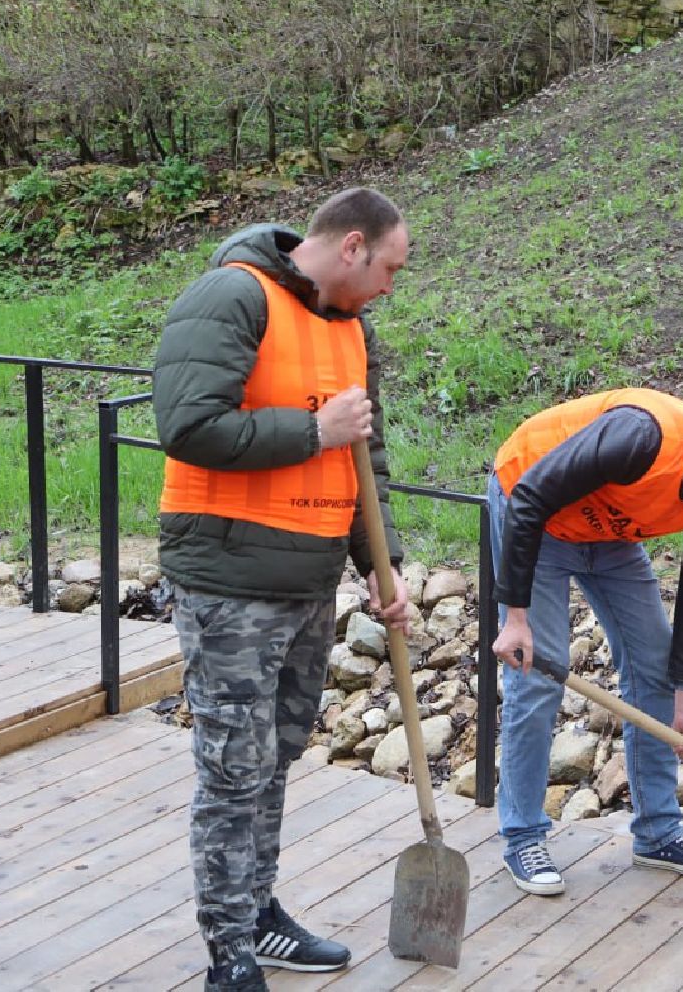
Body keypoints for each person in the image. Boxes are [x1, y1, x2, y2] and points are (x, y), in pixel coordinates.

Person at [154, 188, 412, 992]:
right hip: (230, 582)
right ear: (351, 247)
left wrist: (380, 564)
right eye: (389, 269)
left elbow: (363, 462)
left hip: (308, 580)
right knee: (233, 769)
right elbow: (187, 426)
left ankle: (258, 913)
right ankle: (227, 953)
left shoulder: (349, 330)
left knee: (273, 762)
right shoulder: (230, 294)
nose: (390, 289)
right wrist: (312, 431)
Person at [488, 389, 683, 896]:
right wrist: (516, 617)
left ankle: (659, 834)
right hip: (534, 513)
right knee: (538, 674)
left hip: (609, 533)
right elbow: (531, 497)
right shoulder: (639, 438)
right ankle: (522, 836)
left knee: (654, 670)